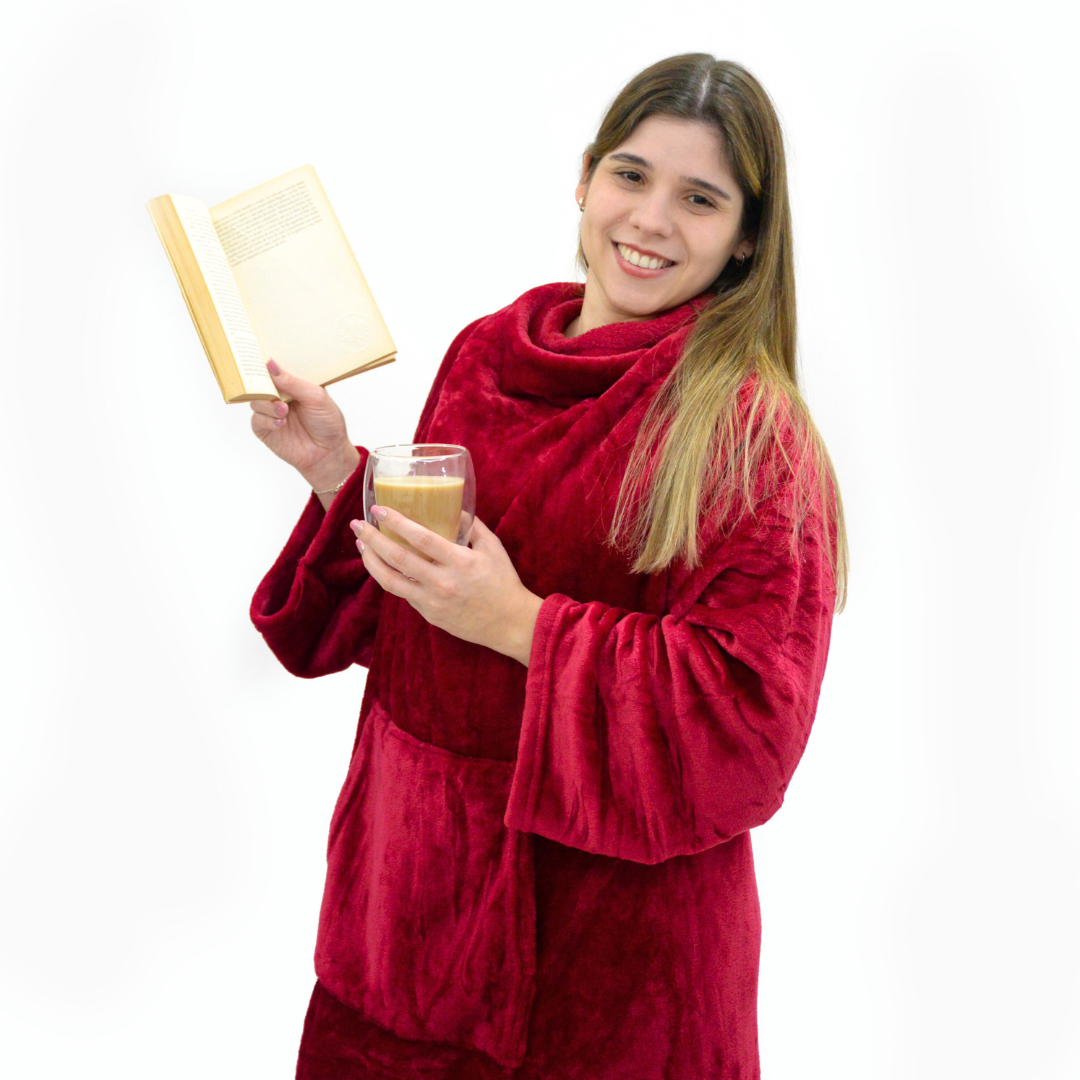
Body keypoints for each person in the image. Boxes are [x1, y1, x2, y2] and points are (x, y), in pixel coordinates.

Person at [249, 53, 848, 1080]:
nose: (651, 220)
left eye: (700, 199)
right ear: (583, 179)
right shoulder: (486, 353)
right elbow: (418, 618)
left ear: (748, 236)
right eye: (631, 176)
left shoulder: (749, 431)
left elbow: (750, 722)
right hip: (405, 925)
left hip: (610, 974)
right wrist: (337, 475)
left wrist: (521, 623)